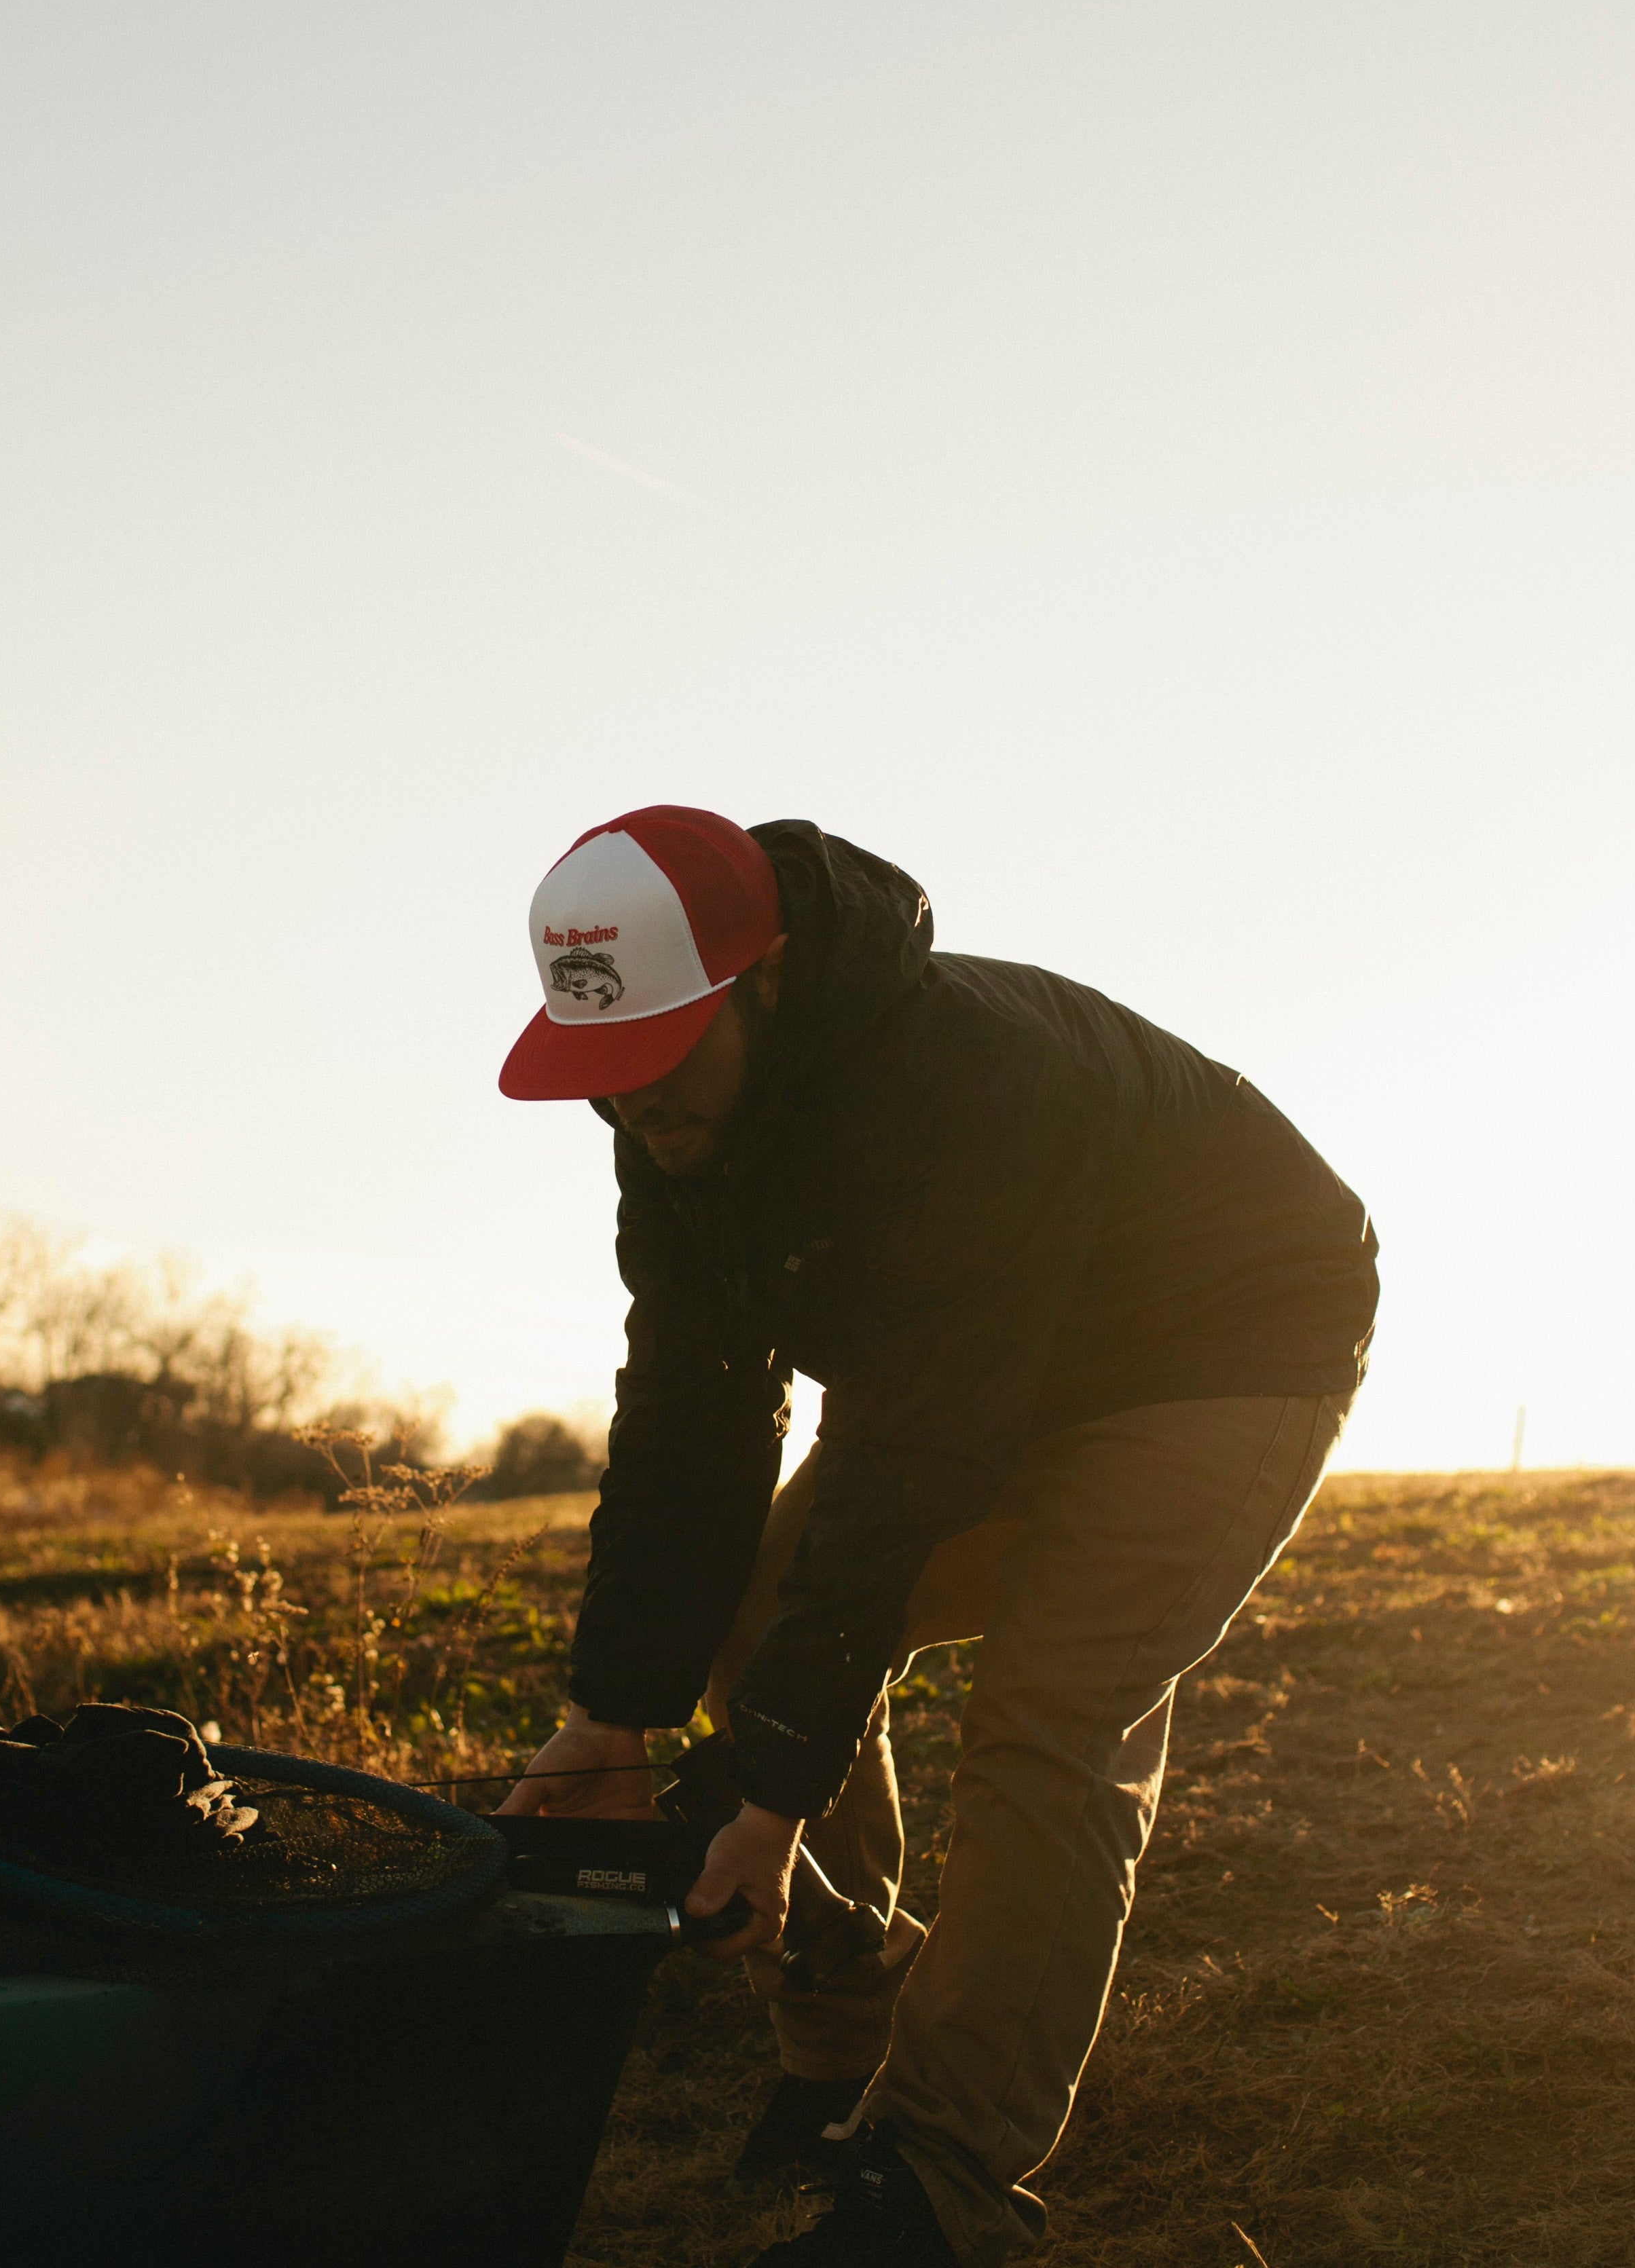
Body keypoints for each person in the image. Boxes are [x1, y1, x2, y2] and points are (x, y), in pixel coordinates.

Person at [498, 808, 1378, 2267]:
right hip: (974, 1365)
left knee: (1052, 1716)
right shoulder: (674, 1130)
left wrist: (772, 1792)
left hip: (1220, 1335)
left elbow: (909, 1464)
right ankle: (841, 2045)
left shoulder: (974, 1081)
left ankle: (942, 2185)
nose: (634, 1102)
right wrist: (614, 1714)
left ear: (767, 979)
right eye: (605, 1068)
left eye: (662, 1054)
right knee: (752, 1613)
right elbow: (690, 1414)